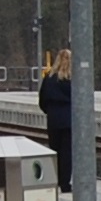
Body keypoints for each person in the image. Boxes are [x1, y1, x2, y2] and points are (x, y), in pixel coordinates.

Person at [38, 50, 75, 192]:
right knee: (67, 152)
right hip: (69, 119)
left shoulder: (49, 78)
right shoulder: (73, 79)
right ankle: (65, 183)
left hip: (53, 119)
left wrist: (50, 111)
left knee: (54, 150)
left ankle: (54, 179)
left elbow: (42, 101)